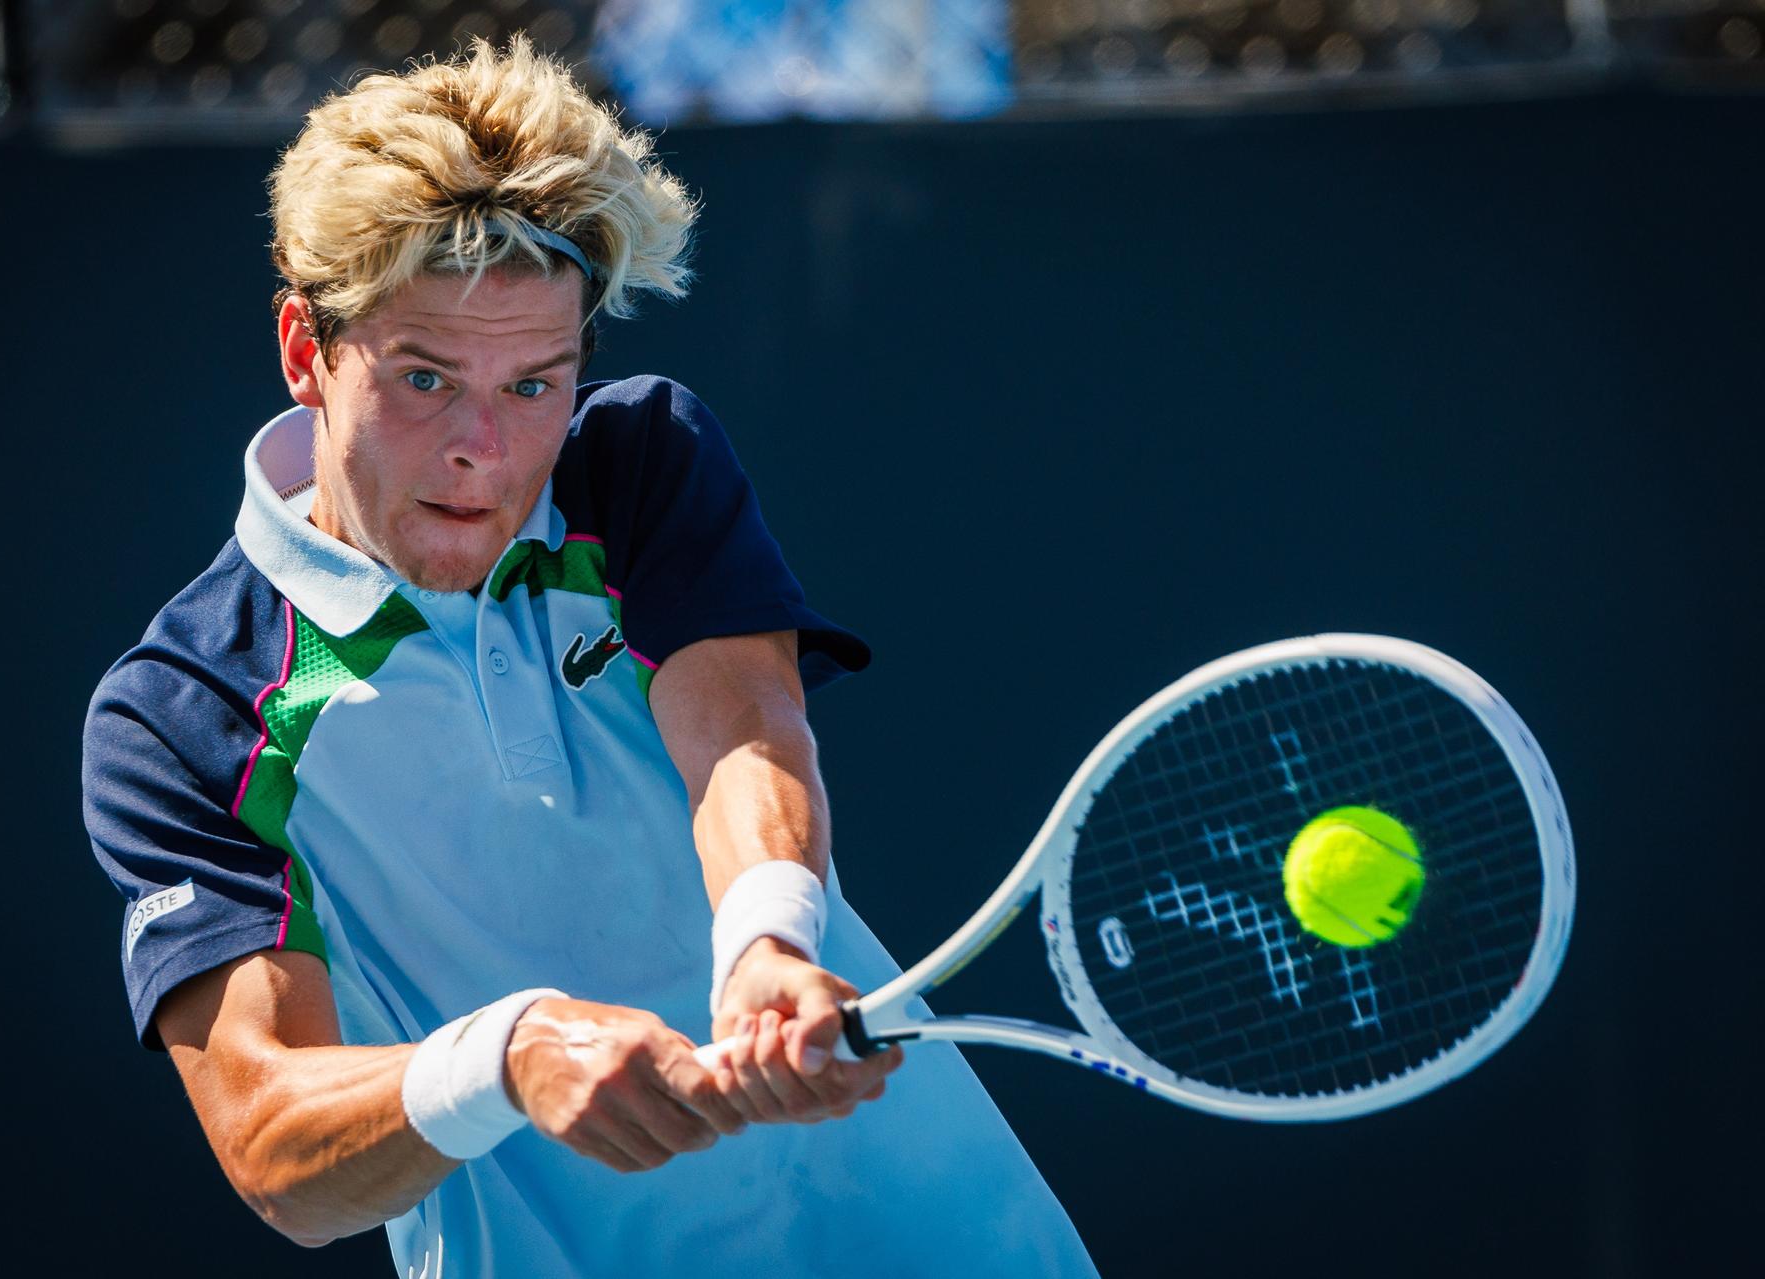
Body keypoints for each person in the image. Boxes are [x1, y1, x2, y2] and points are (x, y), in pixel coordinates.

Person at [82, 36, 1096, 1278]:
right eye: (425, 376)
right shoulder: (186, 712)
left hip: (944, 1241)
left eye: (534, 384)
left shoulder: (636, 463)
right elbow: (273, 1144)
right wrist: (502, 1059)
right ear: (306, 351)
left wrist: (771, 940)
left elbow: (743, 729)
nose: (484, 451)